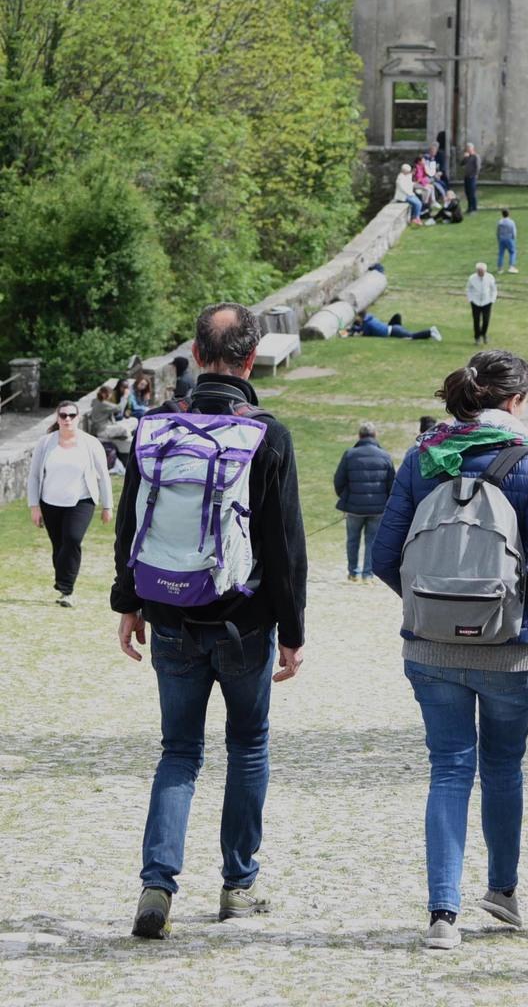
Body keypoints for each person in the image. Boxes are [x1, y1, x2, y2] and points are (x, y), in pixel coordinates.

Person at [112, 302, 307, 939]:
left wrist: (129, 603)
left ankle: (156, 886)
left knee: (178, 753)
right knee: (247, 746)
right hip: (245, 623)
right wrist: (294, 633)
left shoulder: (156, 429)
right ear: (251, 359)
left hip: (168, 612)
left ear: (196, 356)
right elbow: (284, 545)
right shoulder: (268, 435)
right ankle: (238, 884)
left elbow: (128, 523)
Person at [372, 350, 528, 950]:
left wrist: (433, 606)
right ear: (513, 402)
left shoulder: (422, 458)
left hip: (430, 647)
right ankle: (502, 891)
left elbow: (384, 557)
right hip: (511, 649)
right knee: (503, 766)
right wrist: (508, 607)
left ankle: (441, 913)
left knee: (449, 767)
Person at [27, 401, 113, 607]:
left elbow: (104, 476)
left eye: (71, 415)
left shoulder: (91, 443)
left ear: (78, 418)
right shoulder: (46, 443)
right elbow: (34, 477)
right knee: (59, 546)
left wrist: (107, 506)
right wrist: (34, 506)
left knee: (72, 540)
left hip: (81, 501)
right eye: (63, 415)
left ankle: (67, 589)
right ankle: (62, 582)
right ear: (57, 418)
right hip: (50, 502)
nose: (67, 419)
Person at [333, 421, 396, 583]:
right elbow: (392, 484)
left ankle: (353, 572)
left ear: (359, 436)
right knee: (372, 541)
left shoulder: (349, 454)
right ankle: (368, 574)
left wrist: (346, 497)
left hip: (354, 507)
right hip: (378, 508)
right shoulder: (385, 456)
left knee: (352, 540)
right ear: (375, 435)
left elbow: (338, 480)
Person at [90, 384, 136, 470]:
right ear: (105, 394)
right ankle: (126, 434)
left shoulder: (98, 401)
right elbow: (119, 408)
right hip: (103, 431)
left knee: (134, 420)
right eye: (110, 394)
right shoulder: (101, 403)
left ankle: (125, 433)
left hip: (110, 426)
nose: (111, 396)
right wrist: (125, 397)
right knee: (125, 429)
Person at [347, 310, 441, 342]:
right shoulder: (369, 318)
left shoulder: (367, 323)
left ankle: (430, 331)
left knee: (411, 337)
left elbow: (366, 334)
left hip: (393, 331)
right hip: (393, 328)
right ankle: (430, 332)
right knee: (408, 336)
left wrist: (354, 331)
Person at [465, 262, 497, 344]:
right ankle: (477, 337)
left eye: (482, 271)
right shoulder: (472, 278)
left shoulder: (490, 277)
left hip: (487, 302)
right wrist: (470, 299)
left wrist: (492, 300)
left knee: (486, 320)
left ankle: (484, 334)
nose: (480, 273)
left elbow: (493, 289)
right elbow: (468, 289)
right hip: (475, 302)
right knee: (476, 320)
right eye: (479, 271)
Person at [496, 208, 519, 273]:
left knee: (501, 253)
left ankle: (500, 268)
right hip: (509, 239)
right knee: (512, 252)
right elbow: (514, 231)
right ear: (509, 214)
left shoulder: (500, 222)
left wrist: (498, 239)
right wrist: (514, 238)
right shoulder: (511, 222)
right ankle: (511, 267)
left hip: (502, 239)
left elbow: (498, 232)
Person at [461, 143, 480, 214]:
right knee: (467, 193)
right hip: (466, 177)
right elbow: (462, 164)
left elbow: (478, 167)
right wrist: (465, 158)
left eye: (469, 148)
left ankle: (474, 208)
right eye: (467, 148)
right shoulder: (468, 156)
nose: (468, 150)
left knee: (472, 193)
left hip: (472, 177)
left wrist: (475, 175)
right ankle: (469, 208)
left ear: (472, 149)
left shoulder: (476, 156)